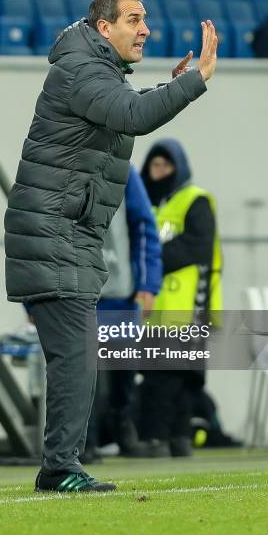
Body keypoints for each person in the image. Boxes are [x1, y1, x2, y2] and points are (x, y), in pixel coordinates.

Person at [4, 0, 218, 494]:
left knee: (77, 355)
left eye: (144, 19)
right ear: (105, 28)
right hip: (53, 233)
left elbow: (126, 110)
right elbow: (134, 117)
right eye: (134, 19)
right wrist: (195, 81)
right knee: (77, 355)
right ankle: (60, 467)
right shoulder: (80, 70)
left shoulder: (92, 71)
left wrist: (168, 89)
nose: (146, 29)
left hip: (66, 234)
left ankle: (60, 464)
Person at [138, 138, 222, 457]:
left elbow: (197, 246)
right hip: (157, 307)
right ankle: (166, 439)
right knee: (160, 376)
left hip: (189, 305)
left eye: (165, 166)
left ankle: (171, 438)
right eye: (154, 165)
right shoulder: (150, 203)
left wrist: (153, 256)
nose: (158, 172)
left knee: (181, 377)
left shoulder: (195, 200)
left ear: (178, 168)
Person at [81, 164, 162, 462]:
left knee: (122, 376)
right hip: (78, 295)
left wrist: (148, 284)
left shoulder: (125, 173)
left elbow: (144, 226)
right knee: (81, 373)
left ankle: (123, 431)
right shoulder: (60, 166)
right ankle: (82, 442)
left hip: (119, 293)